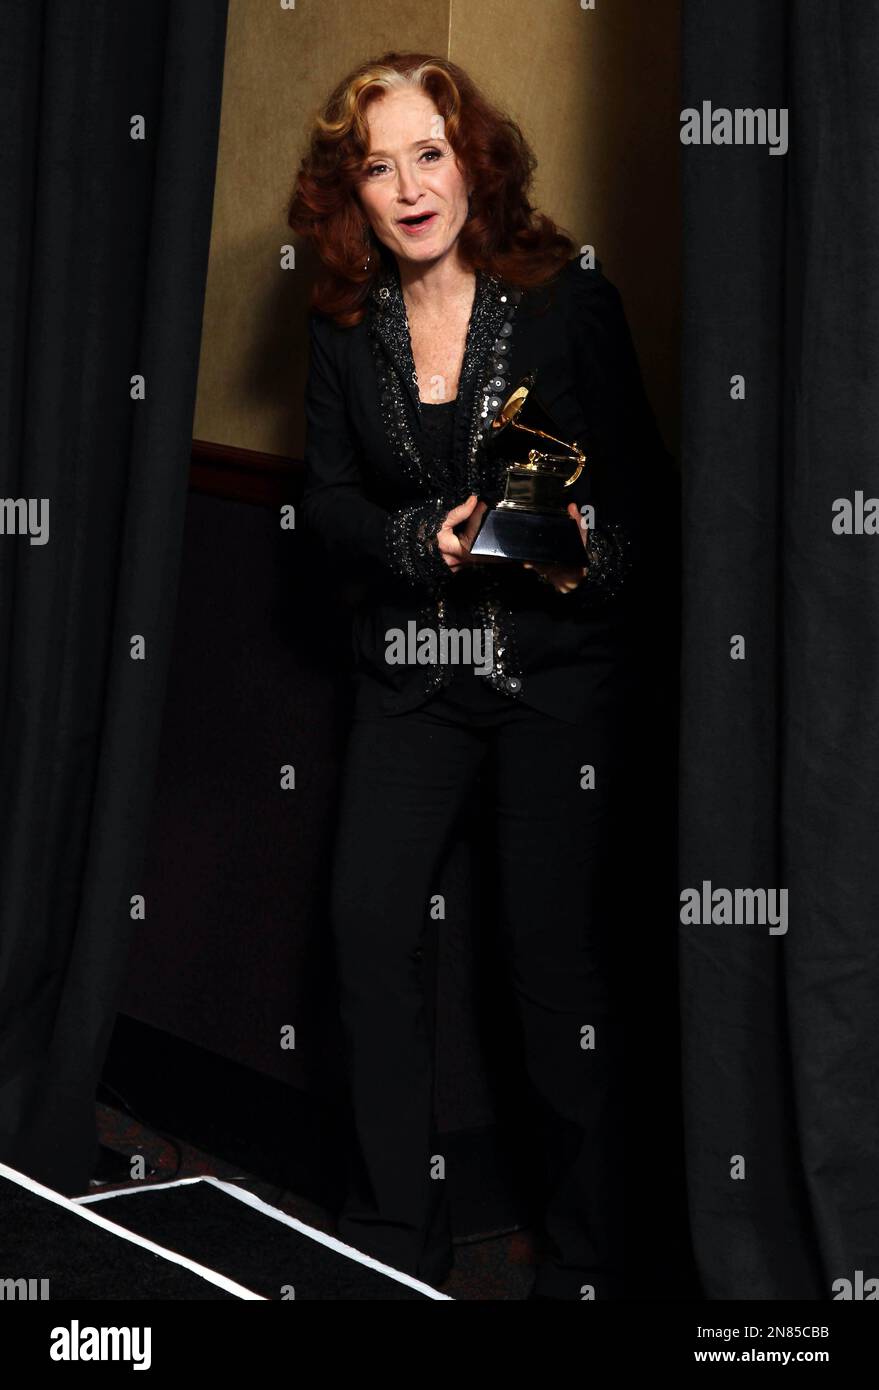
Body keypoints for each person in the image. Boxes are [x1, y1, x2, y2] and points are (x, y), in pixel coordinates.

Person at [288, 50, 673, 1299]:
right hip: (414, 670)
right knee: (363, 929)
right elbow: (330, 501)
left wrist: (569, 555)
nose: (408, 187)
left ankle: (589, 1255)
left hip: (556, 678)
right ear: (352, 190)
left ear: (474, 159)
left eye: (430, 153)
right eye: (379, 163)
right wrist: (422, 539)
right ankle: (398, 1231)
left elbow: (646, 511)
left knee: (553, 963)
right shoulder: (345, 318)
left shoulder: (568, 301)